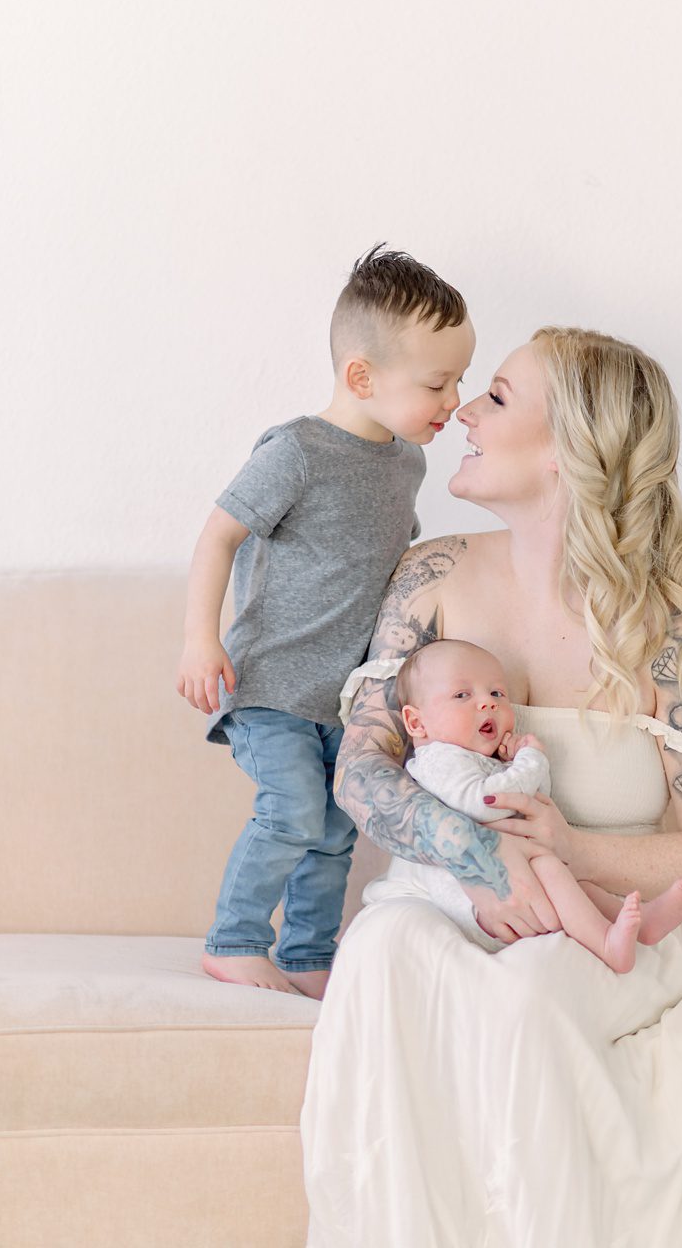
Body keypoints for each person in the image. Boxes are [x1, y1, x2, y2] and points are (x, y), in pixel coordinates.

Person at [301, 326, 682, 1248]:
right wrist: (479, 851)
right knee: (378, 951)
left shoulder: (677, 630)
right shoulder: (431, 578)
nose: (462, 413)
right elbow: (360, 768)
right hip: (453, 903)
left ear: (570, 447)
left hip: (607, 929)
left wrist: (566, 848)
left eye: (495, 397)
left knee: (528, 990)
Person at [176, 246, 473, 997]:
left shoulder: (408, 463)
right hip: (271, 683)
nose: (455, 398)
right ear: (362, 377)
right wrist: (199, 637)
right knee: (293, 810)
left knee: (338, 828)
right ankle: (236, 939)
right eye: (438, 382)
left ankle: (310, 955)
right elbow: (218, 534)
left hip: (344, 697)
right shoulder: (297, 451)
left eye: (461, 378)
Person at [387, 635, 682, 969]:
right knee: (549, 866)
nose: (487, 703)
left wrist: (520, 762)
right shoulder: (439, 758)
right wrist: (529, 761)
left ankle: (637, 921)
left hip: (509, 881)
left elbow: (538, 798)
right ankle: (606, 945)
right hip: (469, 902)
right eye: (462, 695)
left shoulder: (478, 758)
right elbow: (484, 802)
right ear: (416, 722)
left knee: (565, 870)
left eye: (496, 693)